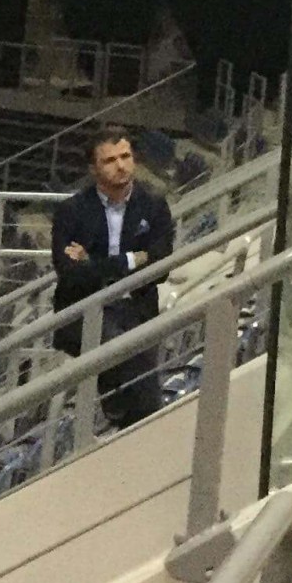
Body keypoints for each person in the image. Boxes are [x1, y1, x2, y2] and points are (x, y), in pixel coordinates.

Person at [52, 126, 176, 427]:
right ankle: (146, 422)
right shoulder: (71, 211)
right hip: (84, 309)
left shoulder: (154, 206)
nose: (121, 166)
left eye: (125, 157)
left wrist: (93, 263)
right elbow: (70, 275)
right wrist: (132, 259)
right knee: (125, 347)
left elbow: (160, 268)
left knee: (133, 345)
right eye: (109, 160)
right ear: (93, 169)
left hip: (136, 306)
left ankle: (125, 414)